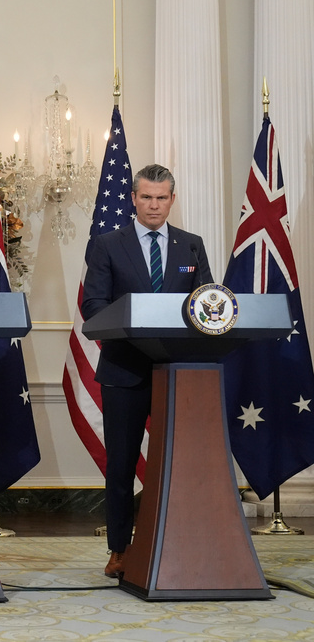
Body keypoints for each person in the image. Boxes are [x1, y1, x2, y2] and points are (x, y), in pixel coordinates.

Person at [81, 163, 213, 578]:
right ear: (133, 199)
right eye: (146, 197)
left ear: (172, 199)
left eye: (161, 197)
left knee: (183, 463)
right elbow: (93, 308)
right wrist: (134, 326)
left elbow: (208, 305)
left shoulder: (191, 246)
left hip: (179, 373)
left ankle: (184, 541)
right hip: (125, 371)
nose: (154, 205)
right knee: (121, 465)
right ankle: (120, 549)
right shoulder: (107, 245)